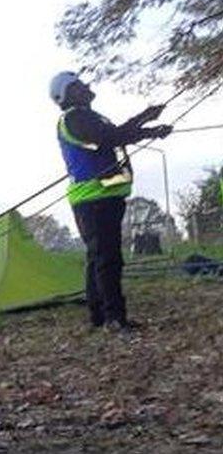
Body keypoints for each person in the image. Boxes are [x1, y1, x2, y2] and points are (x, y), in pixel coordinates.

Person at [49, 72, 172, 332]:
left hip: (103, 197)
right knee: (108, 259)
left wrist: (150, 127)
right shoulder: (74, 117)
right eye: (78, 85)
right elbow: (112, 137)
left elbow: (115, 134)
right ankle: (115, 318)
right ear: (67, 94)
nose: (86, 86)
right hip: (93, 199)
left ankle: (100, 317)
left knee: (98, 258)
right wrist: (146, 122)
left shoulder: (88, 117)